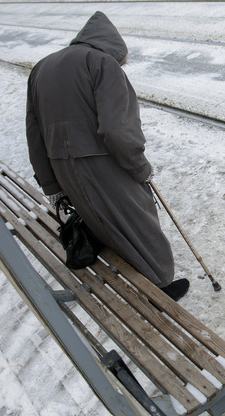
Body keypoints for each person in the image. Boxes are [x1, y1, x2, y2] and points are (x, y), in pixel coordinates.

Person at [26, 11, 189, 301]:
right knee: (138, 220)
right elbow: (117, 129)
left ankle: (139, 276)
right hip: (102, 162)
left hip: (62, 164)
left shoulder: (41, 68)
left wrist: (51, 184)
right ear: (114, 48)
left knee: (102, 219)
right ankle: (161, 287)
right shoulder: (101, 63)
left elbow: (34, 132)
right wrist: (140, 168)